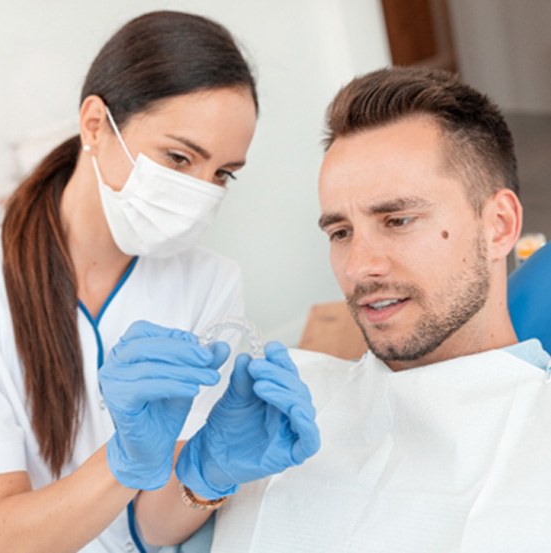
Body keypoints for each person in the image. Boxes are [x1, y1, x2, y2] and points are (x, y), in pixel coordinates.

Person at [0, 10, 320, 553]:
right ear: (96, 125)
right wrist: (124, 463)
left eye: (222, 173)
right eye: (178, 158)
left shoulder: (209, 283)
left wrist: (210, 470)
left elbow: (149, 529)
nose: (201, 192)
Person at [203, 67, 551, 552]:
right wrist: (193, 481)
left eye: (398, 220)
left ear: (498, 225)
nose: (360, 267)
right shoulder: (285, 404)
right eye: (340, 232)